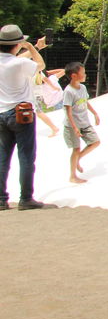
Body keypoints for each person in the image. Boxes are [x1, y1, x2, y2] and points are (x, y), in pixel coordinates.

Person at [0, 25, 50, 210]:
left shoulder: (13, 62)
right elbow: (40, 66)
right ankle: (26, 198)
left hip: (1, 113)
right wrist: (31, 48)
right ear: (17, 44)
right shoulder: (19, 63)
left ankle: (1, 199)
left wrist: (34, 48)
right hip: (21, 113)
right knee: (26, 156)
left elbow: (16, 60)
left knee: (3, 157)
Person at [62, 61, 101, 185]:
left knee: (95, 142)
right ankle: (72, 176)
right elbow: (68, 112)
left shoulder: (82, 87)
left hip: (84, 123)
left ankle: (78, 158)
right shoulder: (68, 91)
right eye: (83, 73)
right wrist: (74, 127)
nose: (85, 75)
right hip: (72, 126)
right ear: (74, 75)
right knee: (76, 149)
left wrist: (95, 113)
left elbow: (85, 101)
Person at [32, 68, 64, 137]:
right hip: (36, 95)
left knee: (39, 113)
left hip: (35, 95)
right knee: (37, 113)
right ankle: (54, 128)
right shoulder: (33, 71)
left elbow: (45, 79)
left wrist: (54, 87)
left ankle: (54, 128)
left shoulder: (34, 70)